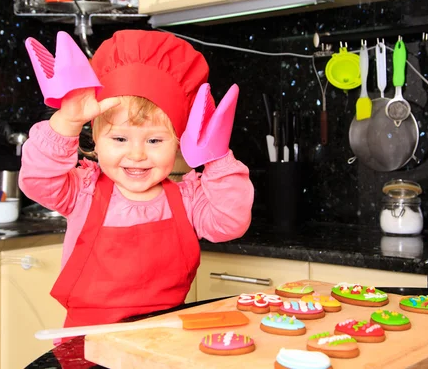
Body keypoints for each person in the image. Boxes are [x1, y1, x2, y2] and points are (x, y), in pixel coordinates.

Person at [19, 30, 254, 335]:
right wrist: (66, 122)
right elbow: (38, 180)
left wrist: (217, 157)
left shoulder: (187, 199)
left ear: (179, 143)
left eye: (155, 139)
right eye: (119, 138)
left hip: (164, 335)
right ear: (96, 141)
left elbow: (229, 224)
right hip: (88, 339)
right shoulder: (83, 190)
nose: (137, 153)